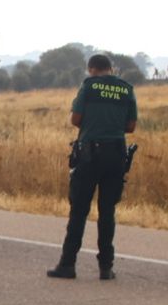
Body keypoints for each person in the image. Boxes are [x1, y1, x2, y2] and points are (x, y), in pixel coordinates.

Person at [47, 53, 138, 281]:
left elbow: (75, 119)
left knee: (79, 210)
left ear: (92, 69)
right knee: (107, 212)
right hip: (116, 154)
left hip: (89, 155)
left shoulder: (89, 86)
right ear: (110, 68)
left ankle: (68, 265)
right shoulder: (126, 89)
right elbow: (131, 125)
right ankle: (106, 267)